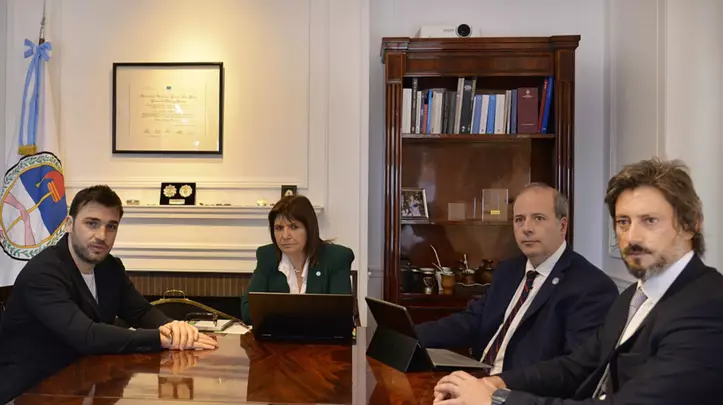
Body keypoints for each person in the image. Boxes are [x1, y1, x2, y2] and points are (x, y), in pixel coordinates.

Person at [433, 158, 723, 405]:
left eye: (650, 221)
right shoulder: (634, 297)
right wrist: (493, 384)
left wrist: (497, 400)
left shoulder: (709, 306)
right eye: (623, 222)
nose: (632, 237)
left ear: (690, 224)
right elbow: (576, 367)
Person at [0, 185, 218, 403]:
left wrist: (174, 328)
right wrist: (160, 339)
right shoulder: (43, 273)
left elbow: (141, 312)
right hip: (31, 390)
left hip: (83, 381)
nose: (102, 236)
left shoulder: (109, 267)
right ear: (69, 224)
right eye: (92, 223)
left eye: (111, 226)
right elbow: (86, 335)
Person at [416, 183, 618, 374]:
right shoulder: (509, 270)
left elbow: (574, 370)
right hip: (476, 377)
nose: (526, 228)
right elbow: (471, 321)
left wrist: (497, 383)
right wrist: (409, 335)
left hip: (519, 390)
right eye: (519, 219)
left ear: (562, 226)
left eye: (538, 218)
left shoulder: (591, 287)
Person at [240, 194, 354, 324]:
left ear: (309, 229)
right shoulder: (267, 256)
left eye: (293, 227)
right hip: (277, 336)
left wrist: (278, 312)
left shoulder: (336, 257)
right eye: (279, 228)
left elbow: (340, 316)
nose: (285, 236)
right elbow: (248, 312)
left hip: (321, 337)